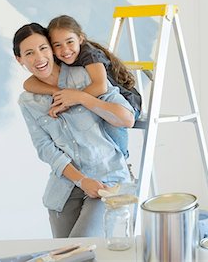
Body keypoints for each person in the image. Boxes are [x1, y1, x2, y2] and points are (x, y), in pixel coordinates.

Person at [13, 23, 135, 238]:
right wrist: (81, 180)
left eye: (43, 48)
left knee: (78, 251)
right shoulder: (28, 100)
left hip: (107, 179)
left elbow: (127, 119)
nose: (39, 58)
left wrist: (81, 98)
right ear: (20, 60)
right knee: (62, 255)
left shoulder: (85, 76)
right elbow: (45, 148)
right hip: (63, 189)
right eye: (29, 53)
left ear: (51, 49)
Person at [23, 15, 141, 158]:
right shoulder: (59, 57)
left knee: (110, 124)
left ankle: (122, 159)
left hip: (124, 102)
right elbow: (28, 84)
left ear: (80, 38)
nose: (65, 50)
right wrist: (57, 92)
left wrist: (70, 101)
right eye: (57, 45)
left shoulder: (89, 54)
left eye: (69, 42)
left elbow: (100, 86)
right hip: (97, 101)